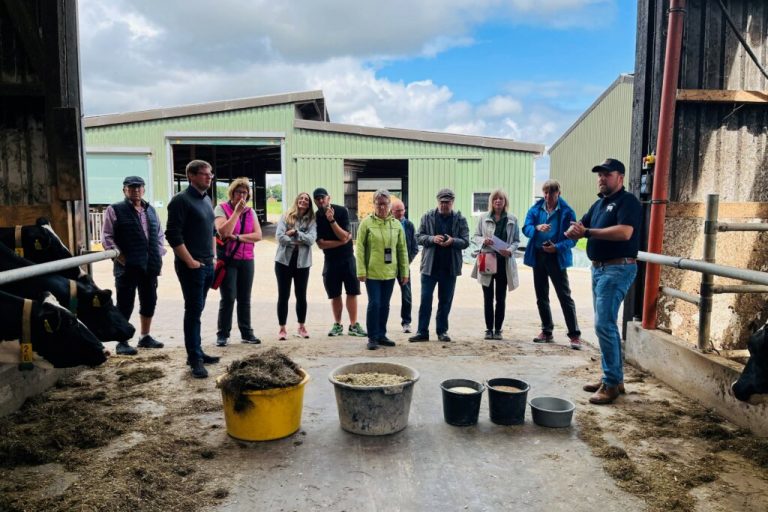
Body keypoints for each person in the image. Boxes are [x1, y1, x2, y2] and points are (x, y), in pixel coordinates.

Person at [565, 158, 641, 405]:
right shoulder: (599, 205)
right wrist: (573, 231)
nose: (601, 179)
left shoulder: (627, 202)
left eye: (606, 175)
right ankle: (613, 378)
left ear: (620, 177)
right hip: (599, 269)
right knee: (605, 325)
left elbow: (625, 232)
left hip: (618, 268)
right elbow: (581, 225)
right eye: (599, 175)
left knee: (604, 325)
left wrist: (586, 233)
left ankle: (611, 383)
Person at [165, 159, 220, 379]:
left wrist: (213, 257)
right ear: (192, 176)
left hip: (207, 264)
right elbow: (173, 235)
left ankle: (196, 352)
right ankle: (195, 359)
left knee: (198, 310)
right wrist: (189, 261)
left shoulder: (206, 199)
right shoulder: (180, 201)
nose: (210, 177)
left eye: (211, 174)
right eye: (205, 173)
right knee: (193, 311)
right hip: (192, 267)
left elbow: (212, 231)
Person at [101, 175, 166, 356]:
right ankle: (122, 341)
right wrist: (120, 258)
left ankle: (145, 336)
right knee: (124, 304)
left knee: (149, 301)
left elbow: (159, 235)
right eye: (131, 188)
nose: (135, 191)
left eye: (139, 188)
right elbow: (107, 237)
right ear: (124, 190)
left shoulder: (151, 210)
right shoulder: (115, 210)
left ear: (144, 190)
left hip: (150, 266)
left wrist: (157, 254)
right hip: (127, 267)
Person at [523, 180, 585, 349]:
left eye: (552, 193)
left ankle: (574, 335)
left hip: (556, 257)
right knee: (541, 296)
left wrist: (556, 248)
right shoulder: (535, 209)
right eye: (546, 193)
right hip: (538, 256)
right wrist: (536, 228)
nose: (548, 196)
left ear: (559, 193)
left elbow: (573, 239)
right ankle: (547, 331)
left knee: (564, 296)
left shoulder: (567, 212)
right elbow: (525, 228)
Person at [409, 188, 469, 343]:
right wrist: (431, 239)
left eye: (447, 202)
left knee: (445, 301)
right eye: (442, 202)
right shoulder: (427, 216)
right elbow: (418, 237)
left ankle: (442, 331)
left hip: (450, 268)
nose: (444, 205)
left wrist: (452, 241)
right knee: (425, 300)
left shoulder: (460, 219)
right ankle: (422, 331)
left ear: (452, 202)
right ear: (437, 202)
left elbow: (466, 241)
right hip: (430, 267)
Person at [356, 190, 410, 350]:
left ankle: (381, 334)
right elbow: (359, 248)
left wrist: (404, 271)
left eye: (385, 203)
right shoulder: (366, 223)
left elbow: (402, 249)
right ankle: (372, 337)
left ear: (389, 205)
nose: (382, 207)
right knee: (375, 303)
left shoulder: (396, 224)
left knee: (385, 304)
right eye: (378, 203)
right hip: (371, 272)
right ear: (374, 204)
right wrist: (361, 270)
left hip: (389, 273)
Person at [214, 178, 263, 347]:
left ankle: (246, 332)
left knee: (245, 298)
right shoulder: (221, 208)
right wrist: (236, 213)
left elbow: (258, 235)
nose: (242, 195)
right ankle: (222, 334)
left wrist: (237, 238)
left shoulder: (251, 212)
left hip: (247, 260)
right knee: (228, 297)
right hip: (229, 260)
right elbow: (223, 231)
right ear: (232, 193)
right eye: (238, 192)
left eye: (245, 192)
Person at [313, 188, 367, 338]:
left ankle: (354, 325)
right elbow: (321, 244)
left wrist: (332, 221)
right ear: (315, 201)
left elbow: (345, 234)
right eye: (317, 198)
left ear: (328, 198)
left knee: (352, 292)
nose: (320, 200)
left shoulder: (341, 211)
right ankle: (337, 324)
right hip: (330, 261)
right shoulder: (316, 217)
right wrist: (341, 241)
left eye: (323, 197)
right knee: (335, 294)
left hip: (348, 259)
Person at [471, 189, 520, 340]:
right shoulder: (483, 218)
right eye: (495, 199)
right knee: (487, 297)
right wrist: (483, 240)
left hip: (504, 262)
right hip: (488, 260)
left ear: (505, 202)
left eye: (501, 199)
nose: (498, 201)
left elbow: (517, 241)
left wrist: (510, 250)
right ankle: (488, 329)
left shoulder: (512, 219)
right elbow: (475, 236)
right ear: (491, 202)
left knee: (501, 297)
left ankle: (498, 329)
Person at [275, 192, 317, 340]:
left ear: (309, 204)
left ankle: (301, 326)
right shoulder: (286, 216)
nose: (303, 201)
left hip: (302, 263)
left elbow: (311, 240)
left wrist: (295, 233)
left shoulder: (311, 220)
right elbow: (280, 237)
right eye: (301, 198)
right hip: (283, 262)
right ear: (297, 201)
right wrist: (298, 241)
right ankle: (282, 328)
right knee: (283, 295)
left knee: (301, 295)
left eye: (306, 199)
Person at [391, 198, 419, 333]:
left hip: (404, 266)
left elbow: (415, 247)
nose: (401, 213)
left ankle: (406, 322)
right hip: (388, 266)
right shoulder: (388, 224)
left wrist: (407, 262)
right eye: (397, 211)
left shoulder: (409, 225)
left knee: (407, 295)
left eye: (402, 210)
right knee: (385, 295)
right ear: (392, 211)